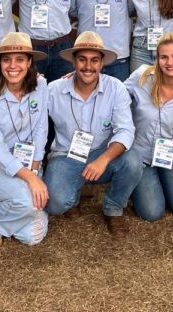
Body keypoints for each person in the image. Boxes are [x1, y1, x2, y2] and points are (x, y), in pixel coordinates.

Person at [43, 31, 143, 238]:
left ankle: (113, 208)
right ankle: (75, 194)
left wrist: (103, 159)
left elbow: (125, 130)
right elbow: (29, 109)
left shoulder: (115, 88)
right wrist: (31, 81)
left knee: (133, 161)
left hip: (102, 153)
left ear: (102, 63)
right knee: (55, 204)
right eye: (82, 59)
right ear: (73, 60)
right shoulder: (53, 90)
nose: (88, 67)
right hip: (66, 155)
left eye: (94, 60)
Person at [0, 32, 50, 248]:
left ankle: (11, 204)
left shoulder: (41, 85)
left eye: (20, 59)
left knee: (33, 237)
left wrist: (34, 169)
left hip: (29, 162)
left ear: (29, 62)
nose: (12, 66)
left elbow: (41, 128)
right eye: (6, 59)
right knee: (29, 203)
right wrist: (31, 179)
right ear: (0, 63)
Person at [124, 33, 173, 221]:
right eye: (164, 57)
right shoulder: (142, 76)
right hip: (140, 153)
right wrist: (83, 79)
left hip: (168, 154)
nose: (170, 62)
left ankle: (162, 183)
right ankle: (138, 182)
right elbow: (115, 95)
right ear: (157, 59)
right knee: (152, 212)